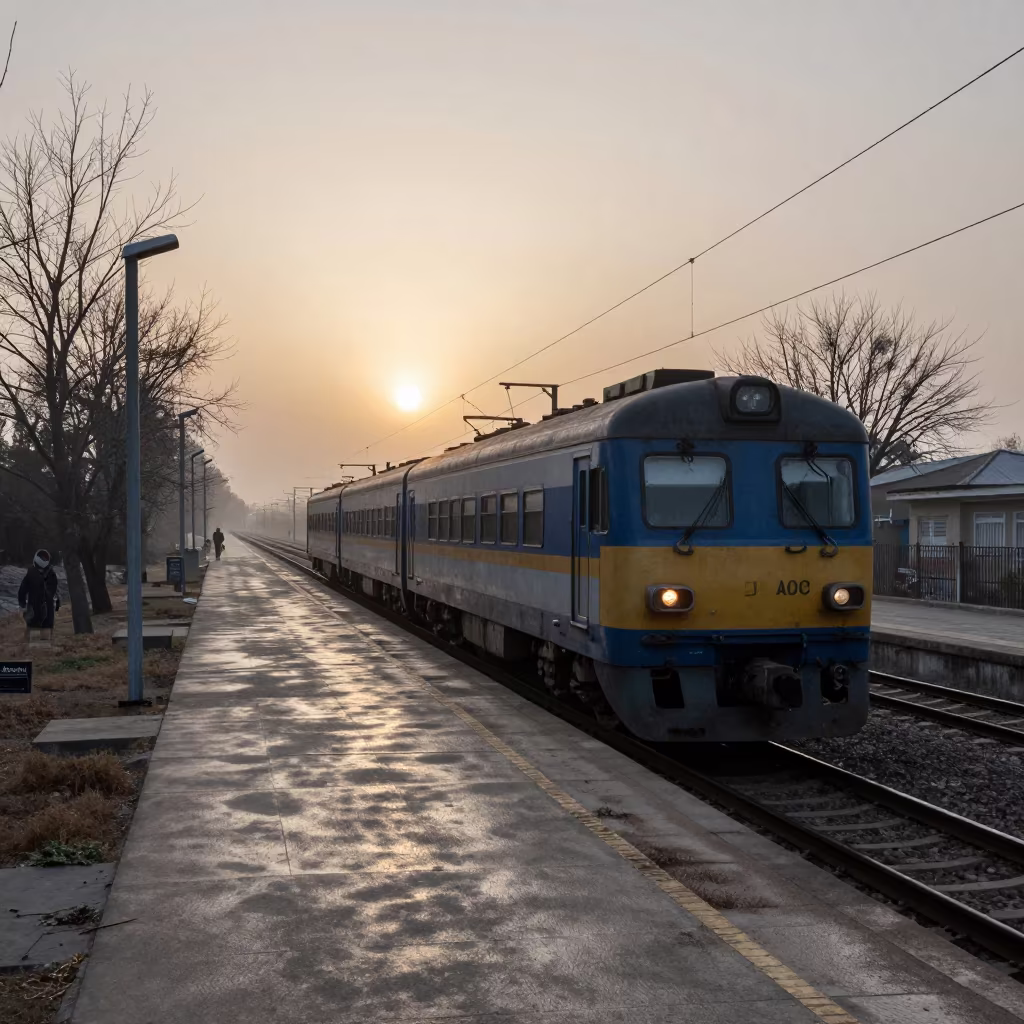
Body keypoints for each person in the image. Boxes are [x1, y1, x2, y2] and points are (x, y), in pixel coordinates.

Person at [18, 549, 60, 639]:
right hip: (48, 611)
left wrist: (22, 603)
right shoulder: (52, 573)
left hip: (33, 610)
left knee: (33, 638)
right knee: (46, 638)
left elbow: (22, 590)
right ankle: (44, 648)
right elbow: (54, 590)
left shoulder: (31, 573)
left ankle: (35, 649)